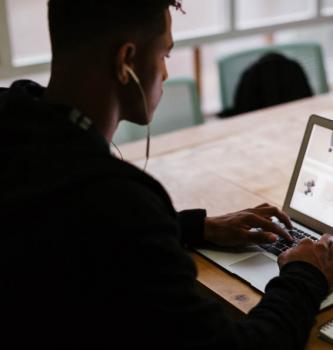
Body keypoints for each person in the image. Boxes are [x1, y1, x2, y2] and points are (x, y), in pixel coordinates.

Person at [0, 0, 332, 348]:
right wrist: (306, 274)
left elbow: (83, 229)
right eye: (165, 56)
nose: (165, 73)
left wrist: (192, 227)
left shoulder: (15, 124)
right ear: (125, 61)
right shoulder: (117, 201)